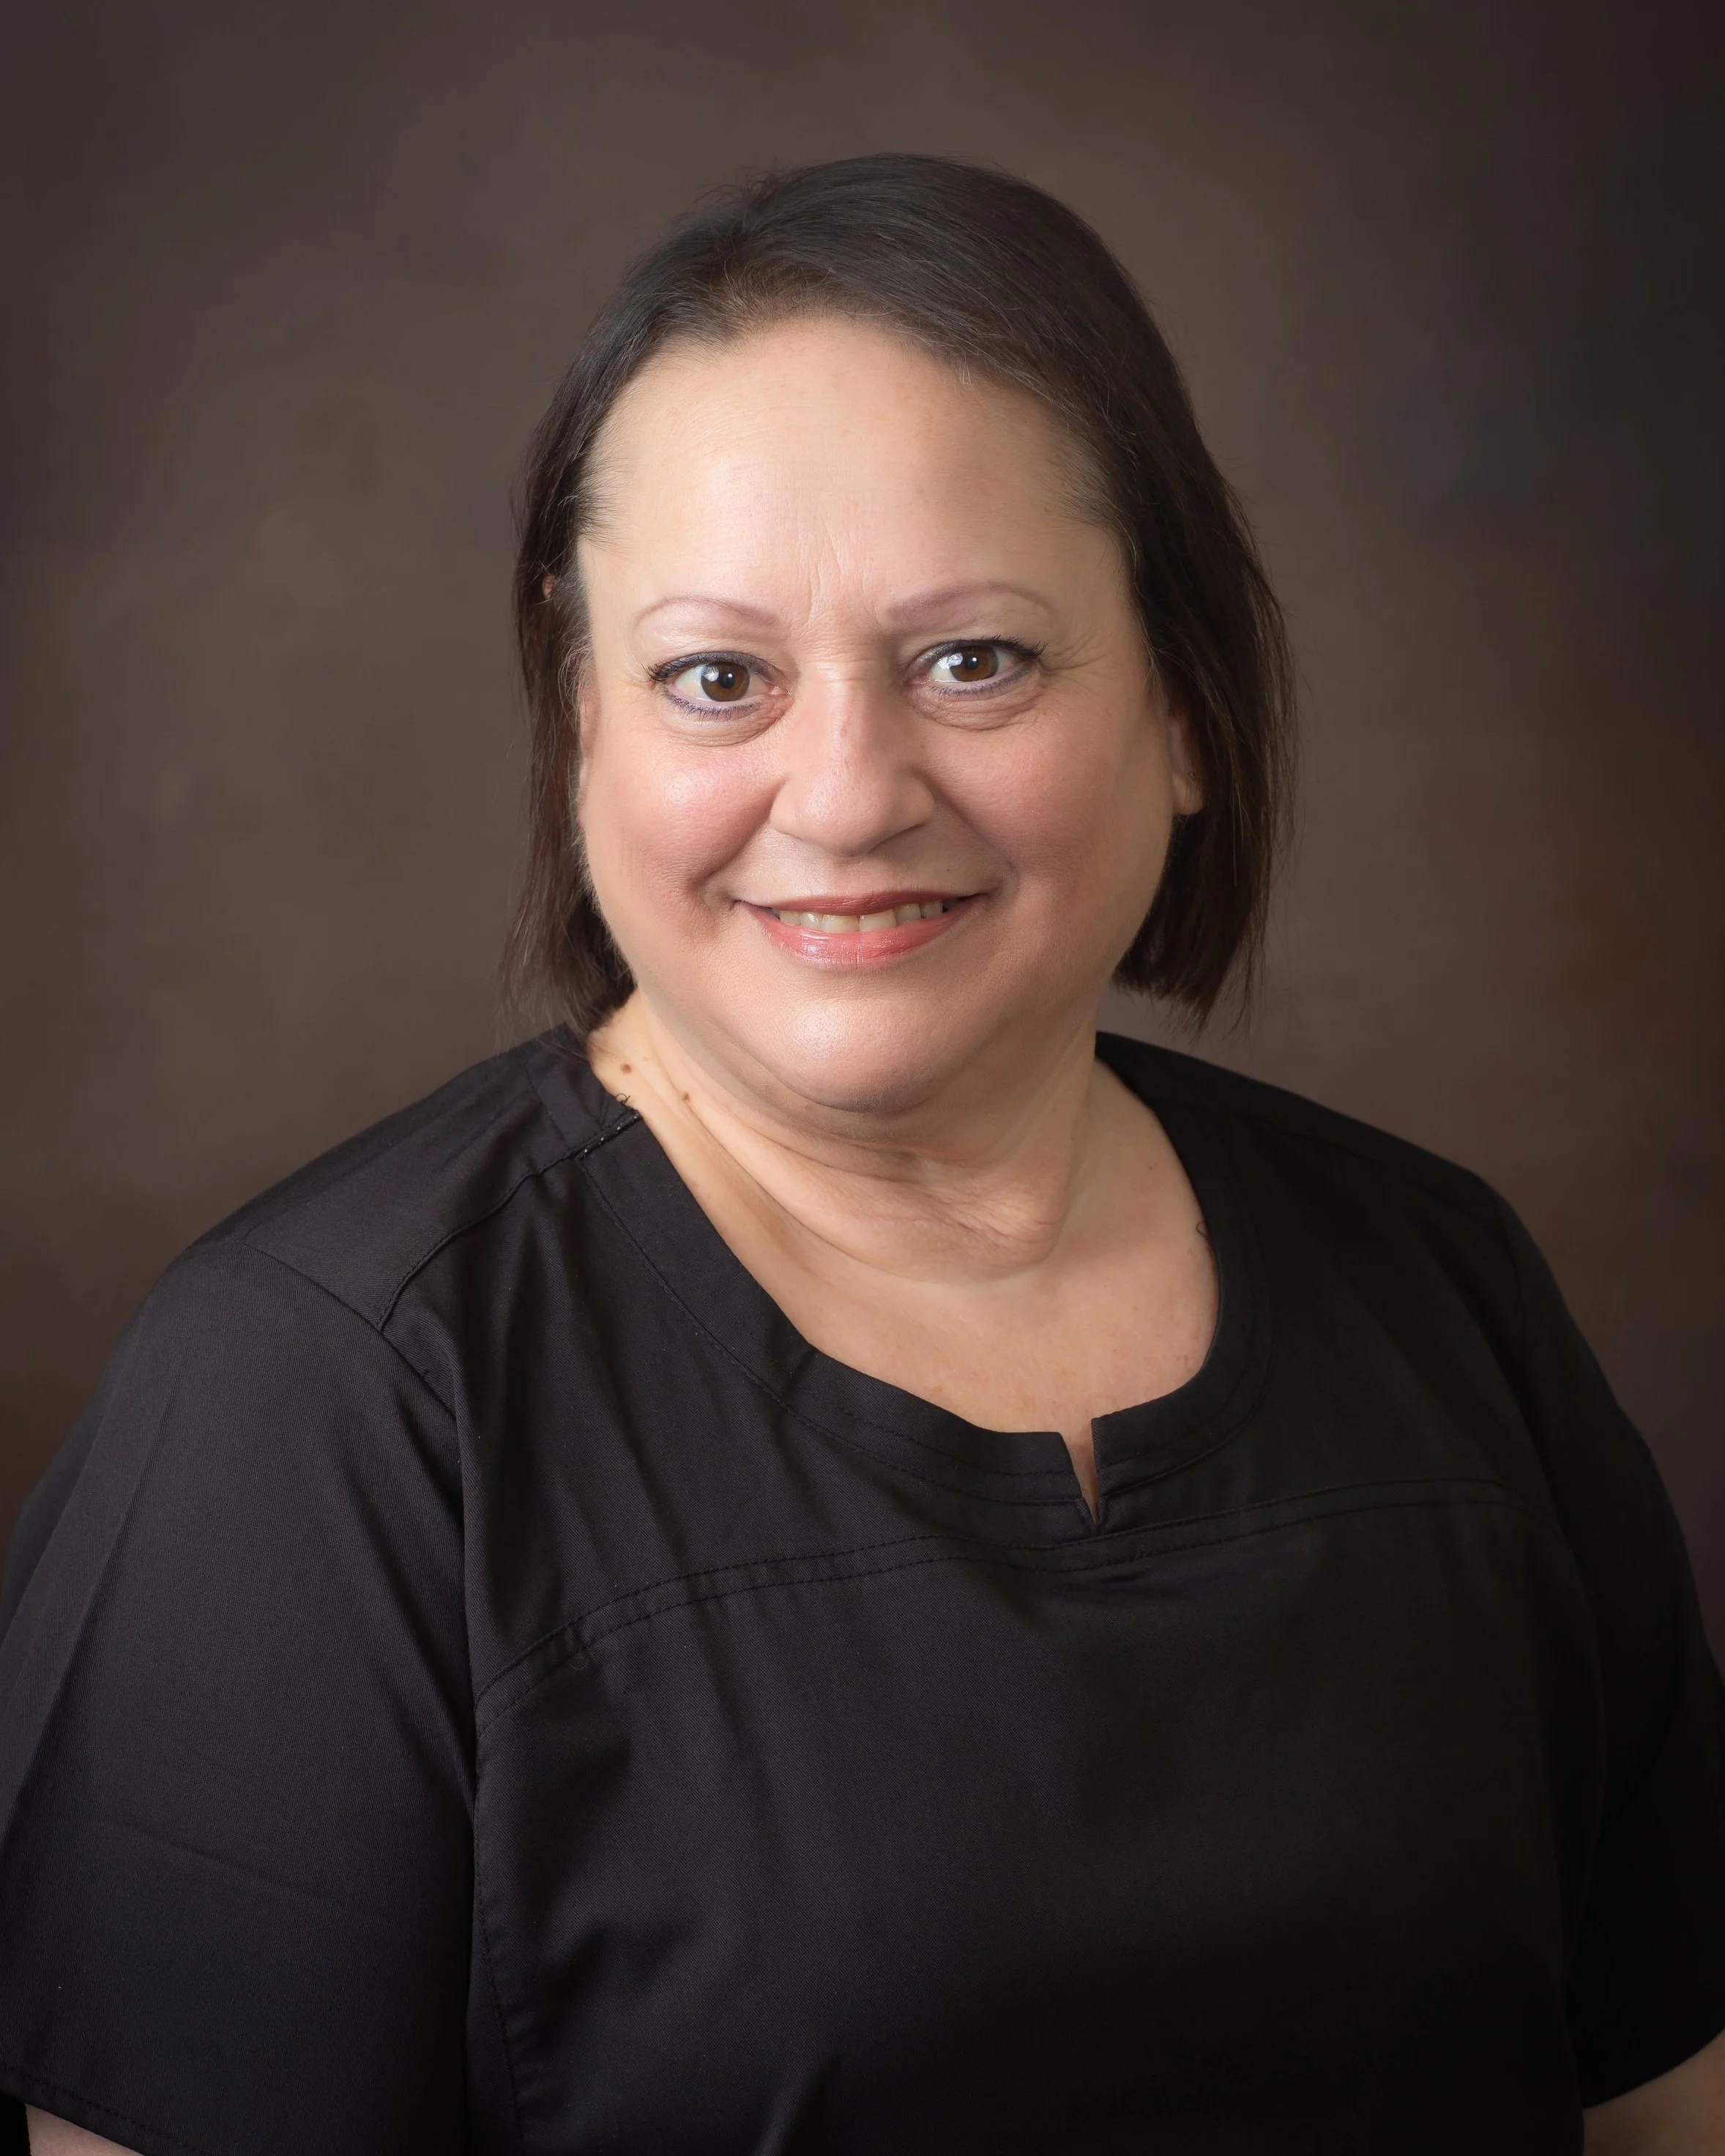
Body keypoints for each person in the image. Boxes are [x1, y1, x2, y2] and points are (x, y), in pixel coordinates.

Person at [2, 152, 1721, 2156]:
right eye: (715, 677)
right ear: (581, 724)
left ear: (1180, 703)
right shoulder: (312, 1398)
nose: (842, 794)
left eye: (972, 659)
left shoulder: (1438, 1281)